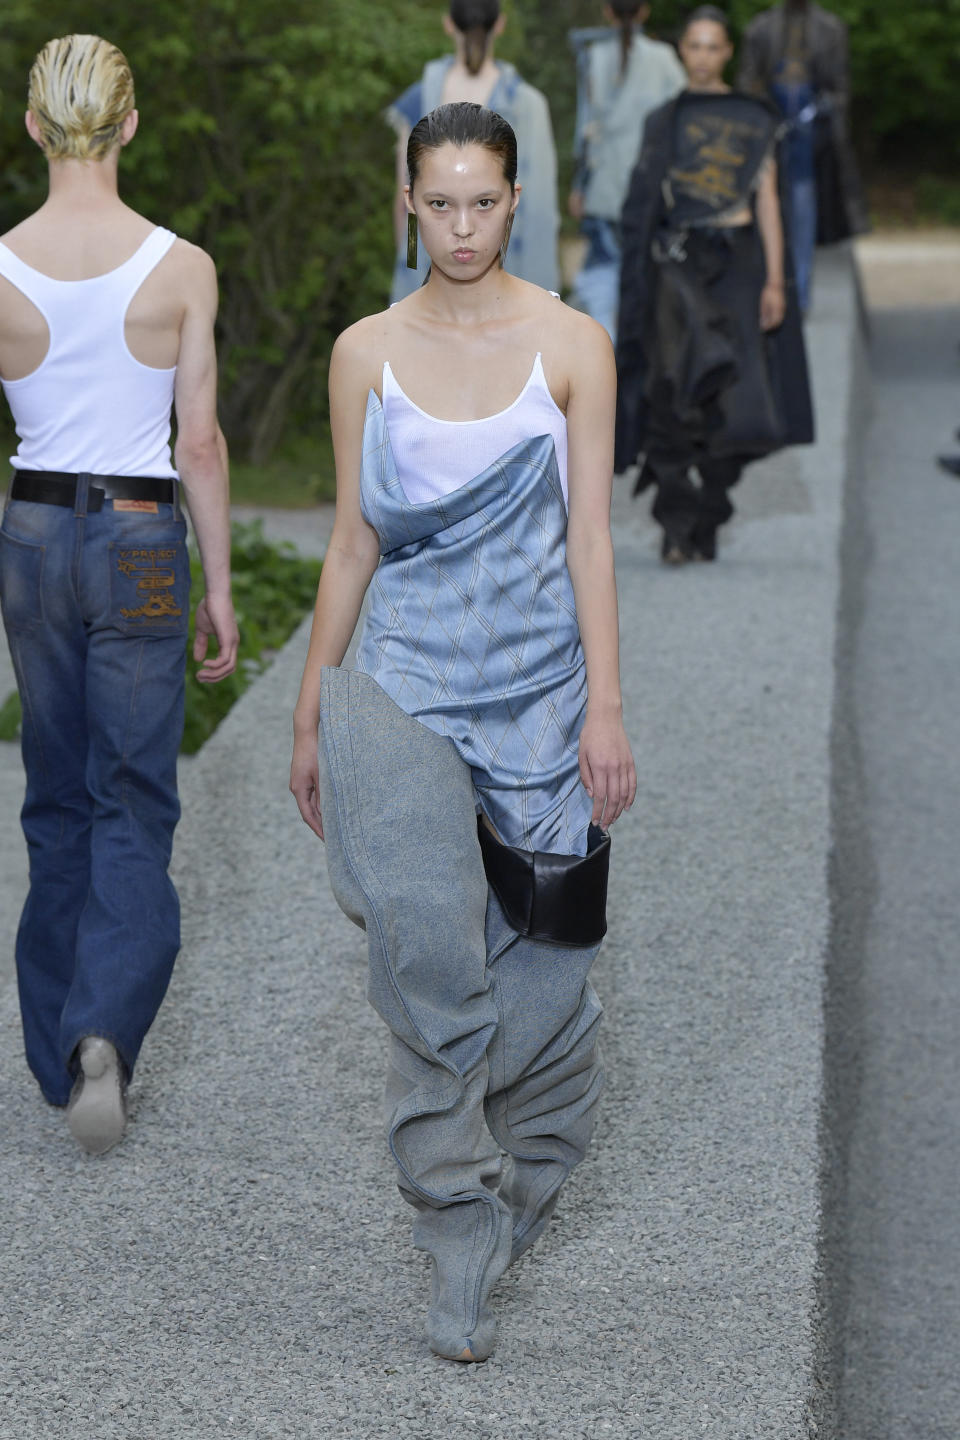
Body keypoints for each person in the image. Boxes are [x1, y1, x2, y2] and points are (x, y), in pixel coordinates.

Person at [291, 102, 635, 1363]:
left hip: (543, 696)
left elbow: (591, 540)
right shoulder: (365, 351)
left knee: (547, 974)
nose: (461, 226)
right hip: (403, 688)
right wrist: (313, 706)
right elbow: (351, 540)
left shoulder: (573, 345)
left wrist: (605, 706)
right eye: (437, 203)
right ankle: (451, 1221)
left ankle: (522, 1174)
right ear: (408, 203)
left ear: (516, 198)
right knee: (428, 947)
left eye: (481, 201)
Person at [0, 35, 238, 1155]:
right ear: (129, 125)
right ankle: (106, 1031)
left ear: (36, 128)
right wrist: (220, 588)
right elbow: (201, 441)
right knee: (132, 797)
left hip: (36, 530)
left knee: (54, 793)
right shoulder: (182, 267)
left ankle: (57, 1051)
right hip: (143, 533)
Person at [615, 6, 814, 563]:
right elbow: (645, 202)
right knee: (672, 389)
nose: (702, 56)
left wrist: (776, 279)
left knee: (737, 393)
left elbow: (768, 199)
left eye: (713, 46)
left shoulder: (755, 117)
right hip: (677, 263)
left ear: (728, 52)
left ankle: (711, 511)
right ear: (682, 50)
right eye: (694, 45)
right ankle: (677, 524)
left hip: (740, 264)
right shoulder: (665, 119)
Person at [388, 0, 559, 301]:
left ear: (449, 24)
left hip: (430, 279)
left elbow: (406, 206)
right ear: (500, 25)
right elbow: (541, 208)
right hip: (509, 283)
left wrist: (411, 269)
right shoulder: (529, 105)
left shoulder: (419, 99)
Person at [737, 0, 868, 313]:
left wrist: (818, 112)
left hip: (810, 142)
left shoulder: (830, 29)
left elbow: (839, 89)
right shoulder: (760, 29)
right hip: (771, 132)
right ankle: (773, 290)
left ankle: (800, 295)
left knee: (803, 211)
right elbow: (748, 81)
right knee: (769, 212)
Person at [568, 1, 686, 341]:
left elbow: (586, 127)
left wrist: (579, 184)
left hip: (603, 186)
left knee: (603, 276)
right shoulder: (664, 58)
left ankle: (604, 355)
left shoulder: (592, 57)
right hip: (648, 187)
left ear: (607, 11)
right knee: (644, 278)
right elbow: (678, 125)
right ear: (644, 11)